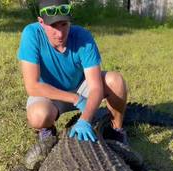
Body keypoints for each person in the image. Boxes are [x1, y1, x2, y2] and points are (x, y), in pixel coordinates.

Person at [17, 0, 128, 143]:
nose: (60, 33)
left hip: (80, 87)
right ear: (41, 22)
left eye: (64, 24)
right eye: (53, 26)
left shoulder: (83, 37)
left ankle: (116, 129)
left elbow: (95, 87)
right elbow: (32, 86)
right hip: (50, 94)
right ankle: (47, 129)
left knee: (116, 81)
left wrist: (85, 119)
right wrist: (75, 99)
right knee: (38, 116)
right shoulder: (31, 34)